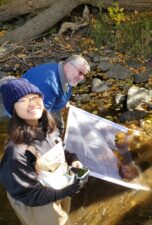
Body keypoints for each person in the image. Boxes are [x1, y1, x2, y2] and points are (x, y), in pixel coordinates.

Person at [0, 78, 87, 225]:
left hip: (60, 185)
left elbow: (62, 148)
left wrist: (74, 159)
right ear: (13, 109)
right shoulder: (16, 152)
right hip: (38, 204)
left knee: (64, 218)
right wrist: (69, 190)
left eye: (35, 97)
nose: (32, 103)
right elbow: (29, 194)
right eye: (23, 100)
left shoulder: (50, 126)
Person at [22, 55, 90, 133]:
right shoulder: (48, 84)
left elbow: (65, 86)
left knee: (59, 128)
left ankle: (58, 133)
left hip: (48, 103)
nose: (82, 78)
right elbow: (38, 117)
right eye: (80, 72)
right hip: (27, 110)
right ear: (68, 66)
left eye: (84, 75)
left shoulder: (65, 73)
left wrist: (64, 101)